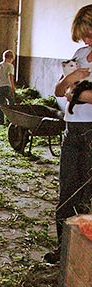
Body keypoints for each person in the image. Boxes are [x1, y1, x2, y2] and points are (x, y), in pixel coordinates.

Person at [48, 4, 92, 264]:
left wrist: (75, 93)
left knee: (87, 195)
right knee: (68, 193)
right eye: (83, 35)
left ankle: (83, 256)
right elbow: (58, 90)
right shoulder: (80, 53)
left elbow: (74, 94)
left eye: (89, 33)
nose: (86, 40)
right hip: (72, 130)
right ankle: (64, 249)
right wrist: (71, 79)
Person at [0, 50, 16, 124]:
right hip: (7, 86)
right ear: (11, 58)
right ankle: (10, 119)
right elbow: (10, 76)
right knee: (11, 102)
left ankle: (0, 120)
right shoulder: (10, 66)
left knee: (0, 103)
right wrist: (13, 87)